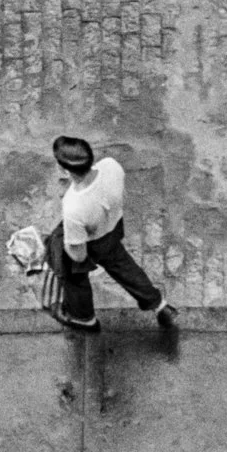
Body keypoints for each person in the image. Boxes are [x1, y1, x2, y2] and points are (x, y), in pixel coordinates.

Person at [45, 135, 176, 333]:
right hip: (112, 229)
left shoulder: (73, 206)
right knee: (123, 266)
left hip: (92, 241)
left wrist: (64, 249)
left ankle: (84, 319)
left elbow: (78, 255)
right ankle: (159, 305)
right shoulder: (111, 166)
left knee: (74, 276)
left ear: (64, 170)